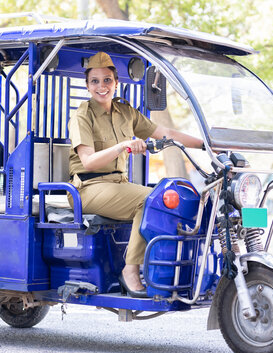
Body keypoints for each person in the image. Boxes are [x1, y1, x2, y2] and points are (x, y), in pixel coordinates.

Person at [68, 52, 203, 298]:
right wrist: (122, 146)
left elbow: (164, 132)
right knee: (152, 200)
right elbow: (87, 162)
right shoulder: (82, 115)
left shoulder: (125, 112)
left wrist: (205, 144)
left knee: (169, 198)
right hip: (87, 189)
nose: (102, 86)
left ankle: (168, 269)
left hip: (118, 185)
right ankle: (131, 270)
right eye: (95, 81)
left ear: (116, 83)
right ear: (87, 85)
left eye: (107, 80)